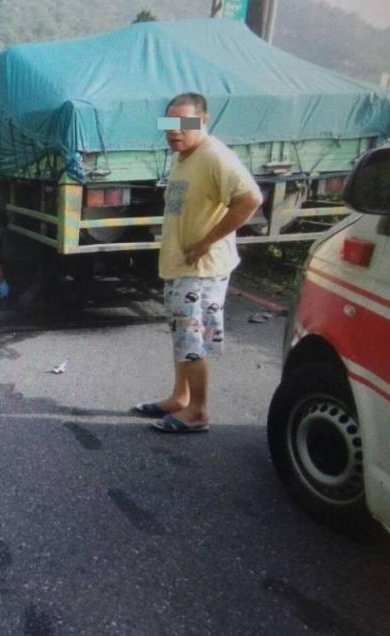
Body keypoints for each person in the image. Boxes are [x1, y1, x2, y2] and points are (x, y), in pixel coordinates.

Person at [134, 92, 264, 433]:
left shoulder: (213, 156)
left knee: (193, 338)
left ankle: (199, 411)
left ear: (203, 122)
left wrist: (207, 241)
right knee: (182, 334)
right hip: (181, 265)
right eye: (169, 124)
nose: (175, 131)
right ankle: (181, 398)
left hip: (201, 270)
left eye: (184, 123)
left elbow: (250, 198)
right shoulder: (183, 156)